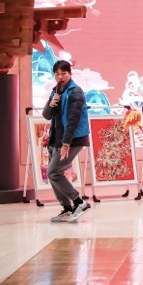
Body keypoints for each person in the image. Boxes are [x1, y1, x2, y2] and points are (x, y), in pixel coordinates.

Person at [43, 60, 91, 222]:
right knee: (53, 174)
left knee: (53, 172)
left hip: (72, 139)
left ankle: (79, 202)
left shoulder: (76, 92)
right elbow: (46, 115)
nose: (60, 77)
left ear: (70, 74)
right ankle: (67, 209)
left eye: (63, 73)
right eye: (57, 74)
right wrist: (52, 103)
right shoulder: (56, 91)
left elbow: (73, 120)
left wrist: (66, 143)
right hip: (56, 139)